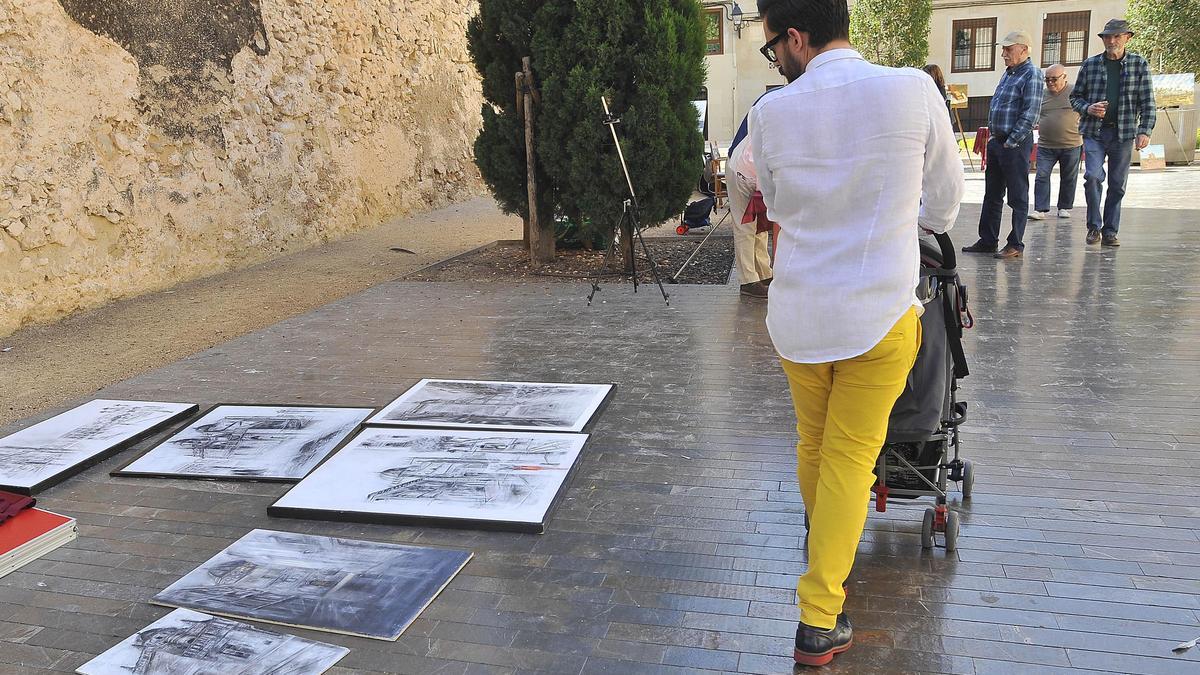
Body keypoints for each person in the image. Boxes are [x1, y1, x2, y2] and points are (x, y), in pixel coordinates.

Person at [751, 0, 963, 666]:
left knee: (816, 444)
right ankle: (819, 616)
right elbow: (946, 205)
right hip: (878, 316)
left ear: (796, 38)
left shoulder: (768, 113)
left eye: (771, 49)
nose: (775, 62)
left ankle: (828, 552)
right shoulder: (912, 90)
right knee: (847, 455)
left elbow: (780, 205)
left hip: (799, 316)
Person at [1069, 18, 1156, 247]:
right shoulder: (1090, 65)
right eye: (1108, 36)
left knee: (1117, 184)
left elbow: (1148, 102)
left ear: (1127, 37)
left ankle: (1110, 230)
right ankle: (1094, 227)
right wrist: (1087, 107)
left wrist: (1145, 130)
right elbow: (1075, 97)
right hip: (1094, 132)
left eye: (1117, 36)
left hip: (1124, 133)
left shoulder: (1139, 64)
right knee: (1093, 177)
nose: (1112, 40)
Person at [962, 30, 1043, 260]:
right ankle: (988, 240)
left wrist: (1012, 141)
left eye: (1008, 49)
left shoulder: (1032, 74)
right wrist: (993, 138)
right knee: (992, 194)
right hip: (998, 141)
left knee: (1017, 196)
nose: (1003, 54)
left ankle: (1015, 243)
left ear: (1024, 49)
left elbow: (1031, 113)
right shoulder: (1008, 74)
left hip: (1014, 144)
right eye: (1004, 49)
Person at [727, 106, 776, 298]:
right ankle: (748, 280)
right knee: (745, 226)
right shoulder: (771, 123)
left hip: (754, 172)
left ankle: (764, 273)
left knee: (760, 228)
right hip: (740, 170)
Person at [1029, 64, 1083, 221]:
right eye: (1047, 79)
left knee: (1068, 177)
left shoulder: (1076, 92)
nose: (1050, 83)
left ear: (1064, 77)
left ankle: (1064, 207)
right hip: (1046, 145)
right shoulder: (1042, 94)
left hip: (1071, 144)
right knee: (1041, 175)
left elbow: (1086, 111)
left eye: (1054, 79)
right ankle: (1040, 209)